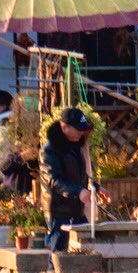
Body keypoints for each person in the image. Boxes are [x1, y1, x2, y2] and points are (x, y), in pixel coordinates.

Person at [41, 106, 93, 249]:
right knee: (58, 249)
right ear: (65, 127)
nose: (82, 133)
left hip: (76, 207)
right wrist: (78, 191)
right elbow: (54, 180)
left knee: (86, 244)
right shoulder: (50, 150)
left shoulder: (75, 146)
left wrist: (96, 188)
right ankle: (53, 271)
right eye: (78, 129)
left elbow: (80, 175)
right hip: (58, 209)